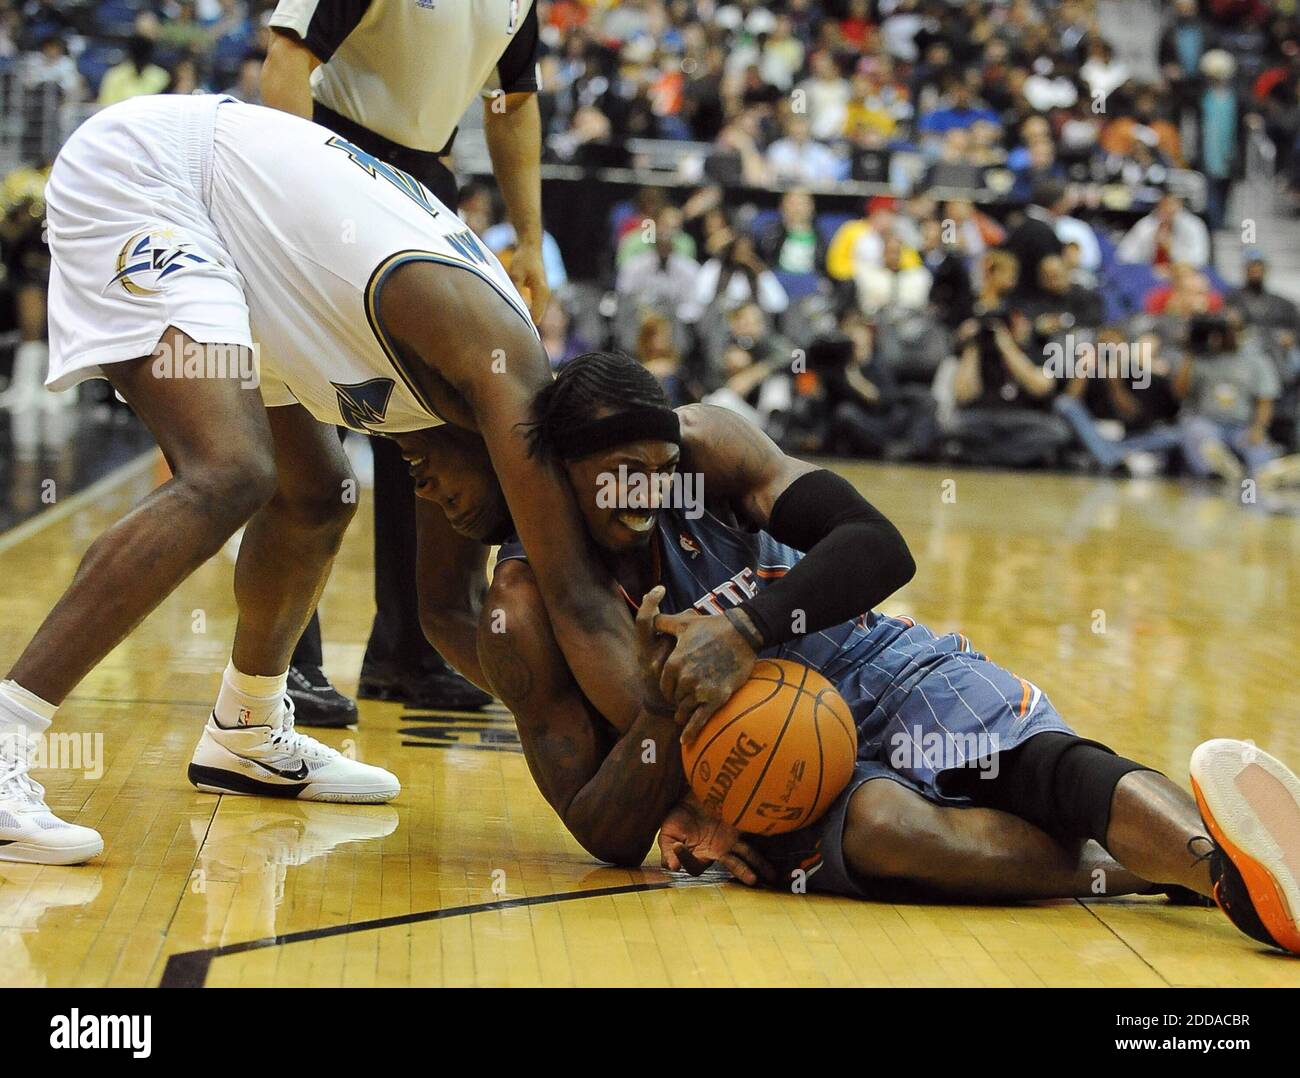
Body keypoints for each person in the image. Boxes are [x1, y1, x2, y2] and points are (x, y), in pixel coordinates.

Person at [403, 352, 1300, 955]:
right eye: (617, 477)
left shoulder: (710, 448)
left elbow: (878, 545)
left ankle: (1225, 871)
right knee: (889, 833)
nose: (645, 491)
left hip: (868, 661)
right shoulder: (528, 607)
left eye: (656, 469)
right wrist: (668, 715)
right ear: (558, 474)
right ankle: (1122, 868)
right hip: (767, 756)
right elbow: (601, 832)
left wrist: (747, 631)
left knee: (1043, 765)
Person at [0, 95, 639, 864]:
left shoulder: (477, 399)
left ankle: (246, 729)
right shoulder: (490, 357)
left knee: (319, 496)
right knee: (230, 471)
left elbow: (447, 610)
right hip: (154, 174)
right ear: (508, 454)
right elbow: (574, 600)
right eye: (481, 511)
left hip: (249, 244)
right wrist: (652, 745)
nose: (433, 501)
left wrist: (551, 705)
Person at [260, 0, 551, 720]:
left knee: (429, 428)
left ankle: (412, 653)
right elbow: (286, 64)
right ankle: (285, 664)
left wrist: (531, 237)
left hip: (424, 186)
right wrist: (305, 201)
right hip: (328, 157)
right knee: (306, 425)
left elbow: (512, 104)